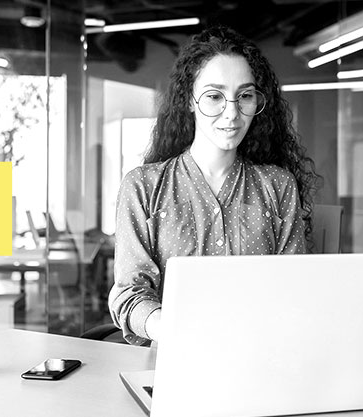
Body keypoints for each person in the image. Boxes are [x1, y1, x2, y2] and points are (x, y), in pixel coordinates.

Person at [109, 26, 319, 346]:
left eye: (245, 96)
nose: (232, 113)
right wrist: (172, 329)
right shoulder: (142, 186)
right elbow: (129, 294)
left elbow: (294, 289)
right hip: (174, 361)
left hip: (260, 358)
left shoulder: (279, 186)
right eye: (214, 96)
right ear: (190, 101)